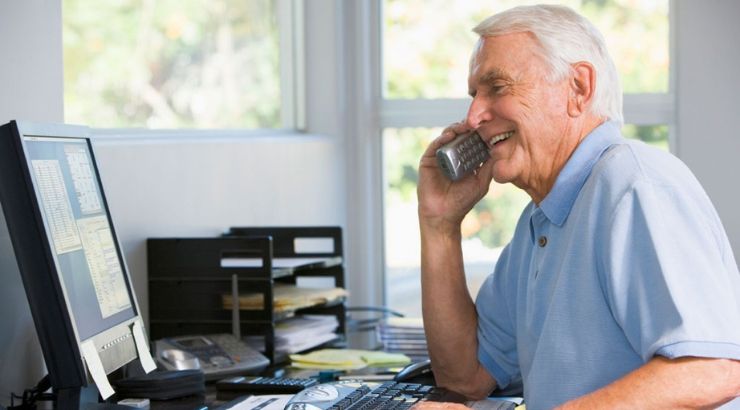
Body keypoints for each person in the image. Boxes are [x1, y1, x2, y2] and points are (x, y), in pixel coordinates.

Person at [414, 4, 740, 409]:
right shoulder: (541, 218)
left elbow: (713, 369)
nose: (474, 115)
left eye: (497, 87)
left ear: (578, 88)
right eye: (474, 94)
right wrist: (439, 225)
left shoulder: (636, 186)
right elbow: (465, 377)